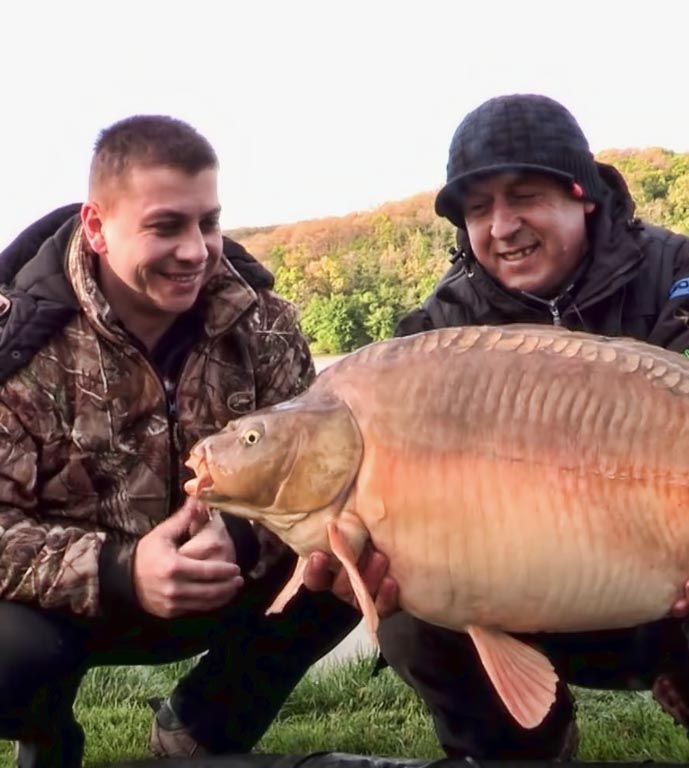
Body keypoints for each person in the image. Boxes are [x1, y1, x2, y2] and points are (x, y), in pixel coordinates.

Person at [373, 94, 689, 763]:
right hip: (522, 591)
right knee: (408, 611)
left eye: (523, 196)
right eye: (478, 210)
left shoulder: (680, 272)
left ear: (582, 193)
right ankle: (529, 741)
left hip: (669, 572)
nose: (502, 227)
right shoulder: (442, 329)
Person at [0, 115, 394, 768]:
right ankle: (46, 732)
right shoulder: (17, 341)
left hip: (227, 576)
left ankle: (204, 727)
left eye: (207, 223)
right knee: (11, 657)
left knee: (340, 572)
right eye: (166, 226)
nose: (195, 250)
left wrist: (239, 537)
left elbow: (324, 471)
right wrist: (123, 571)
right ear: (97, 227)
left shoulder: (262, 322)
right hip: (76, 601)